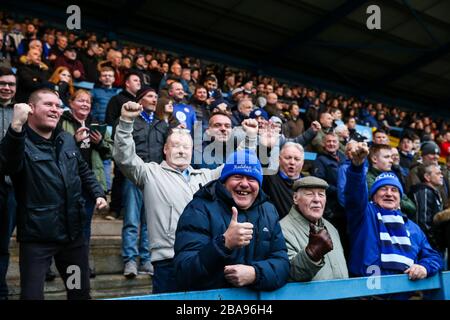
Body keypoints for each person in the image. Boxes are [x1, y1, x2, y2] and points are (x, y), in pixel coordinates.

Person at [113, 101, 257, 293]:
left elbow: (235, 165)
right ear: (165, 149)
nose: (181, 150)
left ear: (192, 152)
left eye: (186, 147)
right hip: (168, 263)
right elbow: (124, 157)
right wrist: (126, 122)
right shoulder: (149, 173)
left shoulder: (206, 176)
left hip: (206, 258)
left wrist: (250, 138)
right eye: (176, 146)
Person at [1, 89, 107, 299]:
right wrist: (15, 128)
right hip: (38, 239)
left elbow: (82, 169)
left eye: (58, 106)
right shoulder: (19, 141)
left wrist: (98, 193)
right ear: (31, 109)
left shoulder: (66, 139)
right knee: (32, 295)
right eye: (48, 104)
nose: (55, 110)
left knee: (78, 291)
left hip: (72, 239)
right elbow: (8, 164)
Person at [174, 150, 289, 291]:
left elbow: (282, 263)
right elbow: (184, 272)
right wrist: (224, 244)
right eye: (237, 176)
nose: (245, 184)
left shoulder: (268, 211)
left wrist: (255, 274)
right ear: (224, 181)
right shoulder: (199, 209)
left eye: (252, 179)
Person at [344, 142, 442, 289]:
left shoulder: (413, 228)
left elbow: (434, 256)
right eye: (383, 189)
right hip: (367, 294)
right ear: (374, 196)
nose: (389, 193)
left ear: (400, 198)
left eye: (394, 190)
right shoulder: (365, 214)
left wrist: (424, 267)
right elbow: (354, 195)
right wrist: (357, 168)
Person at [121, 87, 168, 278]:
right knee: (132, 220)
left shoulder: (162, 125)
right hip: (134, 177)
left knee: (150, 222)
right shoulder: (129, 120)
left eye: (156, 97)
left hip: (155, 178)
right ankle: (130, 260)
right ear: (140, 100)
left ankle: (147, 259)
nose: (154, 99)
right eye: (150, 96)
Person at [280, 176, 348, 281]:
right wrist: (311, 255)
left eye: (321, 194)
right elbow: (288, 274)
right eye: (309, 194)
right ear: (295, 198)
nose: (317, 199)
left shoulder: (331, 228)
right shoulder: (282, 230)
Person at [0, 67, 17, 300]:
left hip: (12, 186)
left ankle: (0, 288)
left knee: (3, 242)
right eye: (2, 83)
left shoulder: (21, 112)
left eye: (10, 84)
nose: (6, 87)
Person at [262, 142, 304, 219]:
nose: (292, 162)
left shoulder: (309, 184)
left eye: (297, 159)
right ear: (279, 159)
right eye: (288, 158)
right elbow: (261, 163)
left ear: (302, 162)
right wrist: (266, 148)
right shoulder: (270, 179)